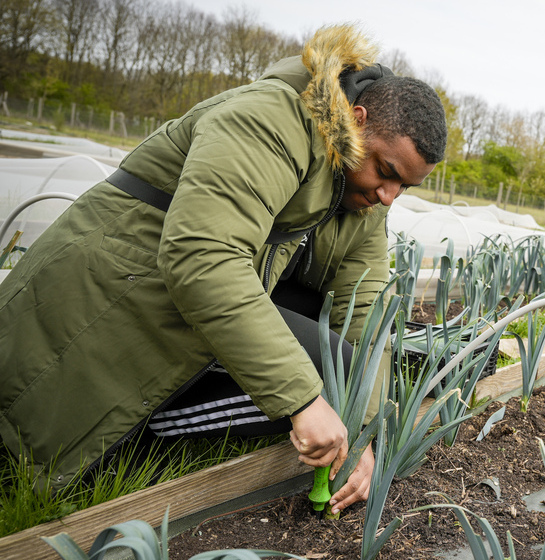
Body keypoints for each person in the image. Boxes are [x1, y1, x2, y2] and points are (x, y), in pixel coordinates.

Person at [0, 24, 446, 516]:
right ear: (357, 121)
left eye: (404, 187)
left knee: (335, 356)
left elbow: (367, 307)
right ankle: (131, 440)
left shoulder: (362, 196)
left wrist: (363, 432)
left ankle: (156, 424)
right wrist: (303, 402)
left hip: (177, 294)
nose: (388, 196)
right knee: (314, 373)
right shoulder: (271, 120)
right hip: (114, 290)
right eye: (385, 172)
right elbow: (203, 256)